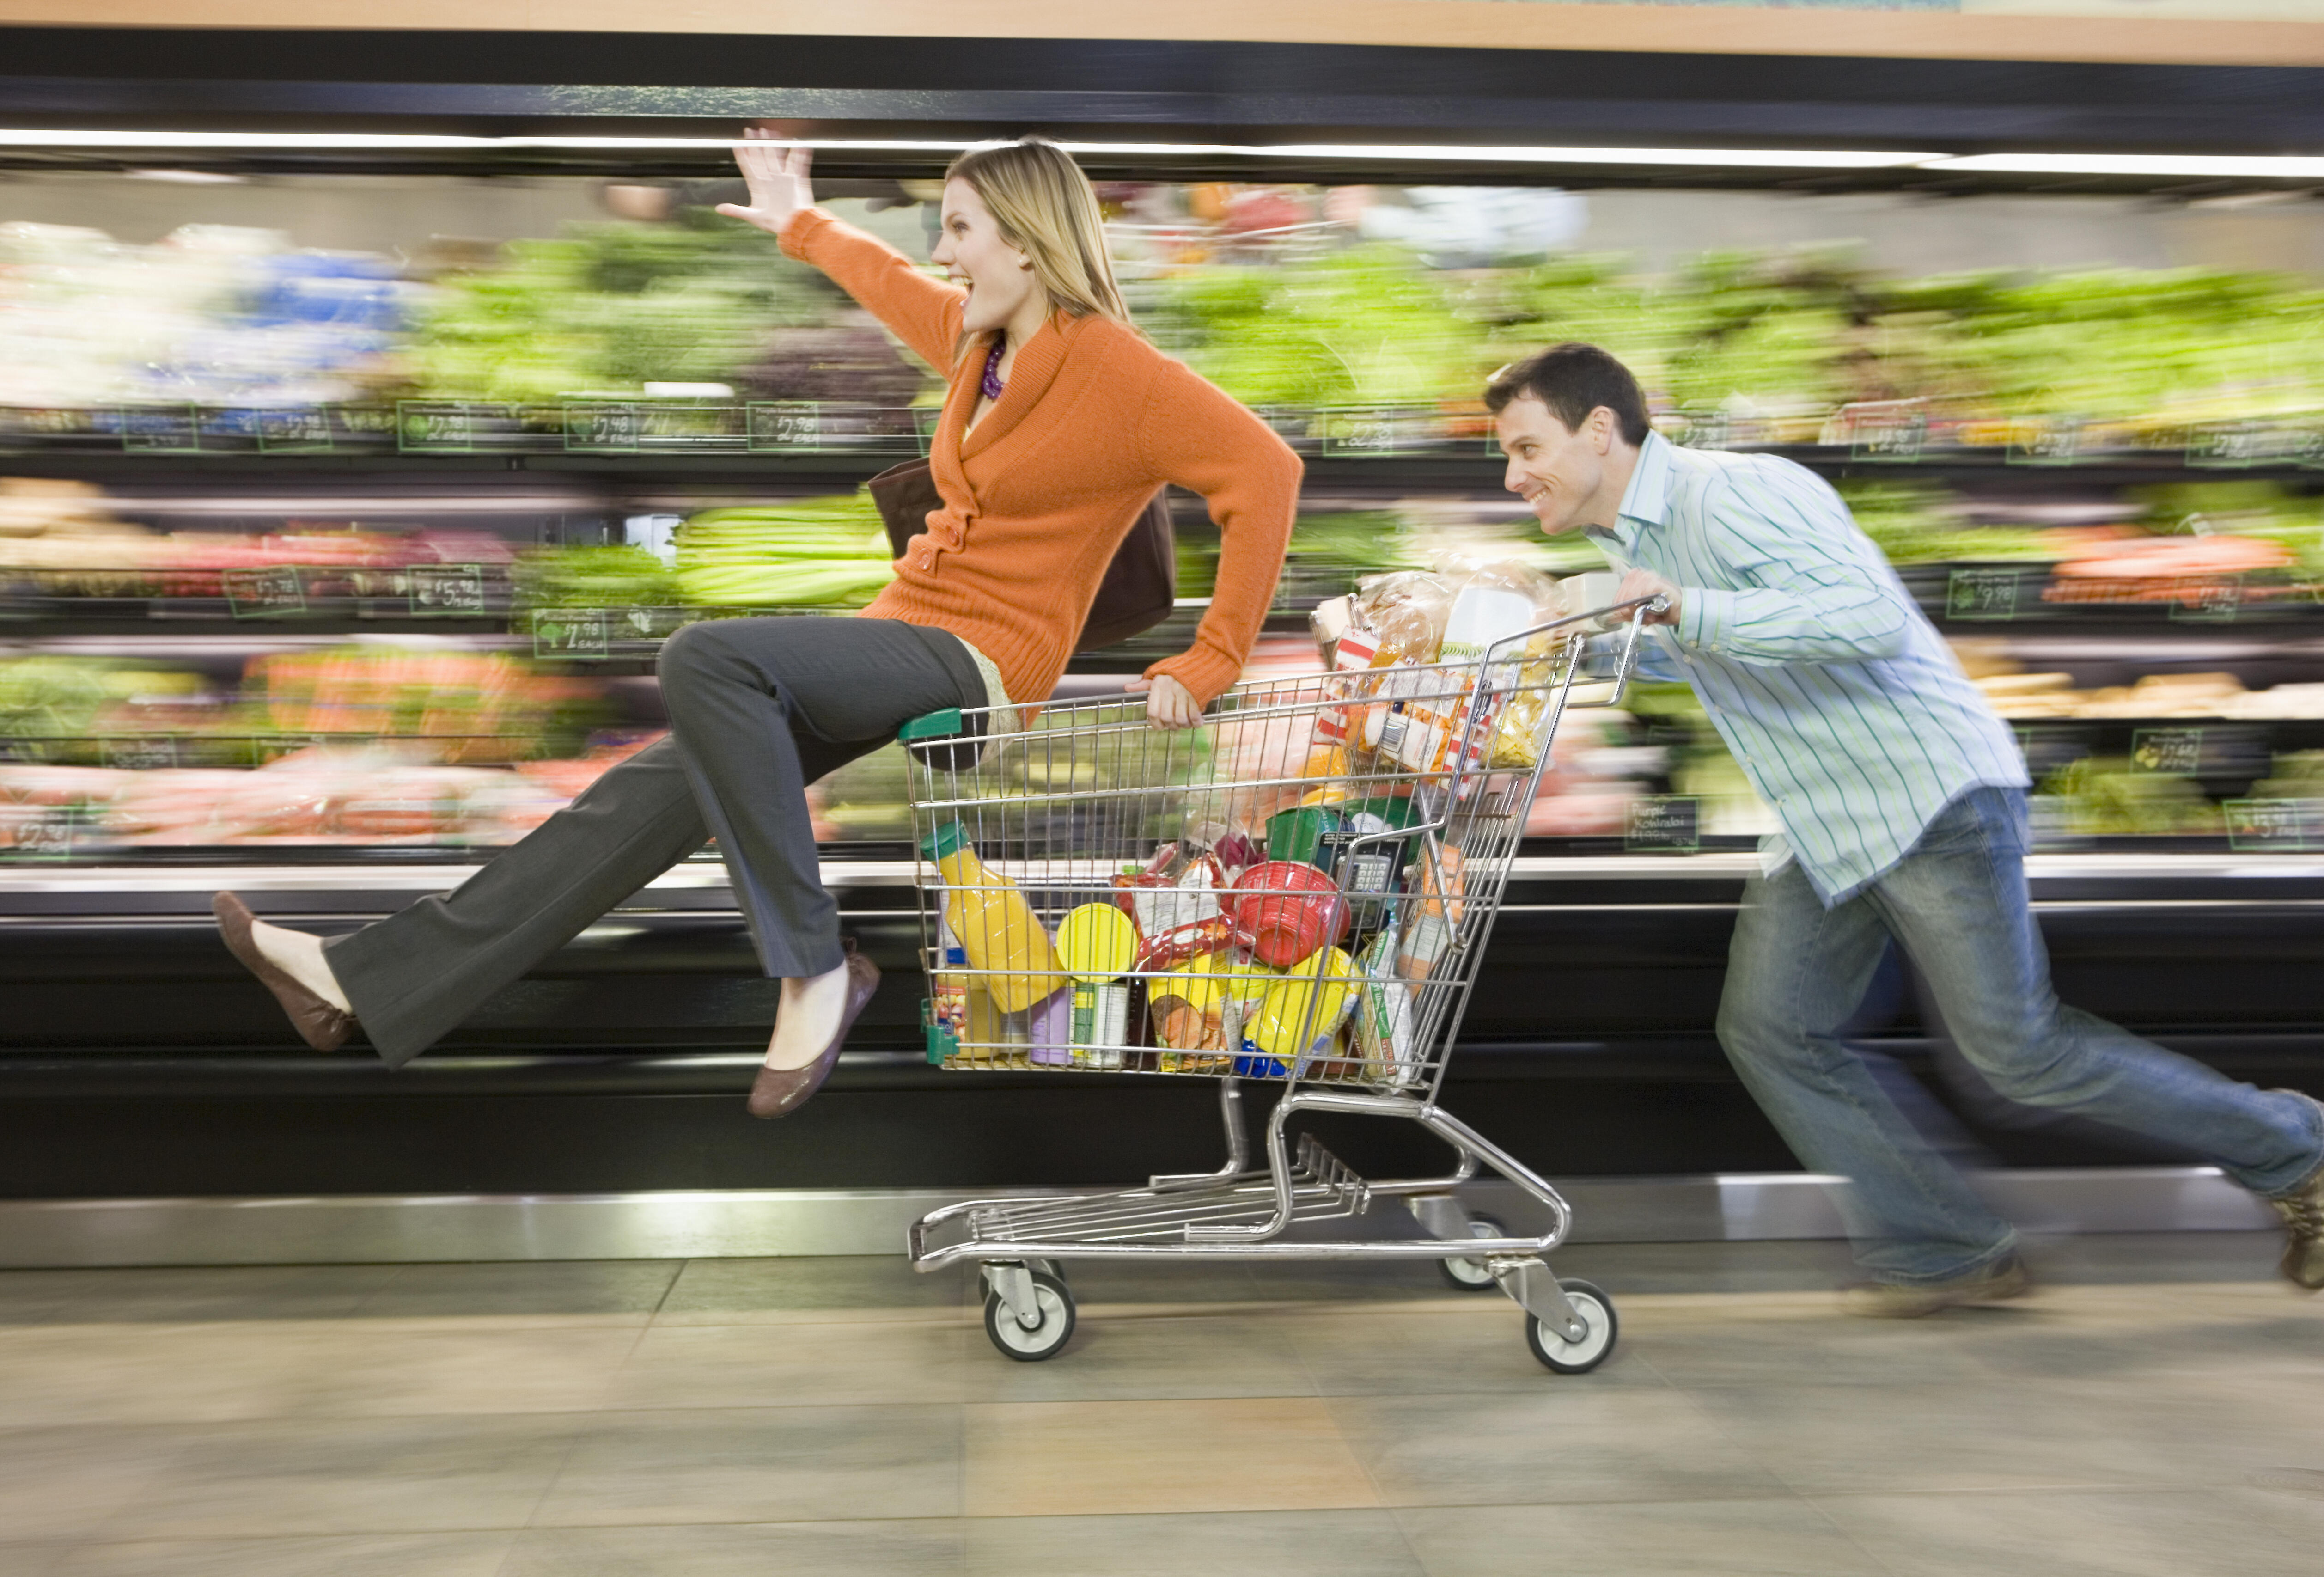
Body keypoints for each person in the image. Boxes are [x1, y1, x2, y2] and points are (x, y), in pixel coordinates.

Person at [214, 132, 1301, 1119]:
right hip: (907, 626)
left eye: (961, 227)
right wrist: (800, 218)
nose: (944, 247)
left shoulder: (1118, 367)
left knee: (710, 654)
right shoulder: (985, 348)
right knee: (641, 795)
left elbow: (1267, 469)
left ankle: (817, 963)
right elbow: (894, 287)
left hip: (985, 659)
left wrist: (1214, 657)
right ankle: (363, 981)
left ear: (1026, 243)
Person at [1484, 342, 2324, 1313]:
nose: (1514, 476)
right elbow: (1722, 650)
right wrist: (1568, 639)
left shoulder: (1737, 491)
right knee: (1775, 1028)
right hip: (1830, 821)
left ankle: (2298, 1151)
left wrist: (1680, 602)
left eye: (1525, 446)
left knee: (2020, 1053)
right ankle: (1946, 1247)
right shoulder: (1632, 542)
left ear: (1598, 429)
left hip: (1926, 796)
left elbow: (1869, 618)